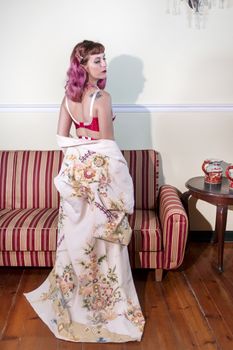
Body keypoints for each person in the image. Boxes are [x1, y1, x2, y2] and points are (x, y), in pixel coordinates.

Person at [24, 40, 145, 343]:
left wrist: (83, 135)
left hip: (74, 175)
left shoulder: (68, 98)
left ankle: (77, 298)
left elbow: (61, 138)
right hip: (98, 178)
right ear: (83, 66)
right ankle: (106, 306)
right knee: (103, 240)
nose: (104, 65)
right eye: (97, 60)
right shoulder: (102, 97)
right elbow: (107, 143)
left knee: (76, 238)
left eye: (104, 59)